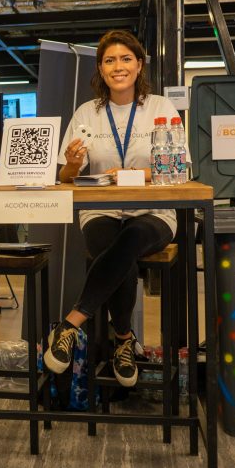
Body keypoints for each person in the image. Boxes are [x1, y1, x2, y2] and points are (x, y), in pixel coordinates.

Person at [45, 30, 178, 387]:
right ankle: (124, 339)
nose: (118, 67)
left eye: (125, 59)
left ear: (139, 65)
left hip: (154, 212)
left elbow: (178, 168)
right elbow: (66, 177)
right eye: (109, 60)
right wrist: (74, 163)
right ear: (101, 69)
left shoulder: (161, 108)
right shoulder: (87, 113)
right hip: (100, 211)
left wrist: (131, 174)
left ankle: (71, 323)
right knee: (117, 248)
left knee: (130, 238)